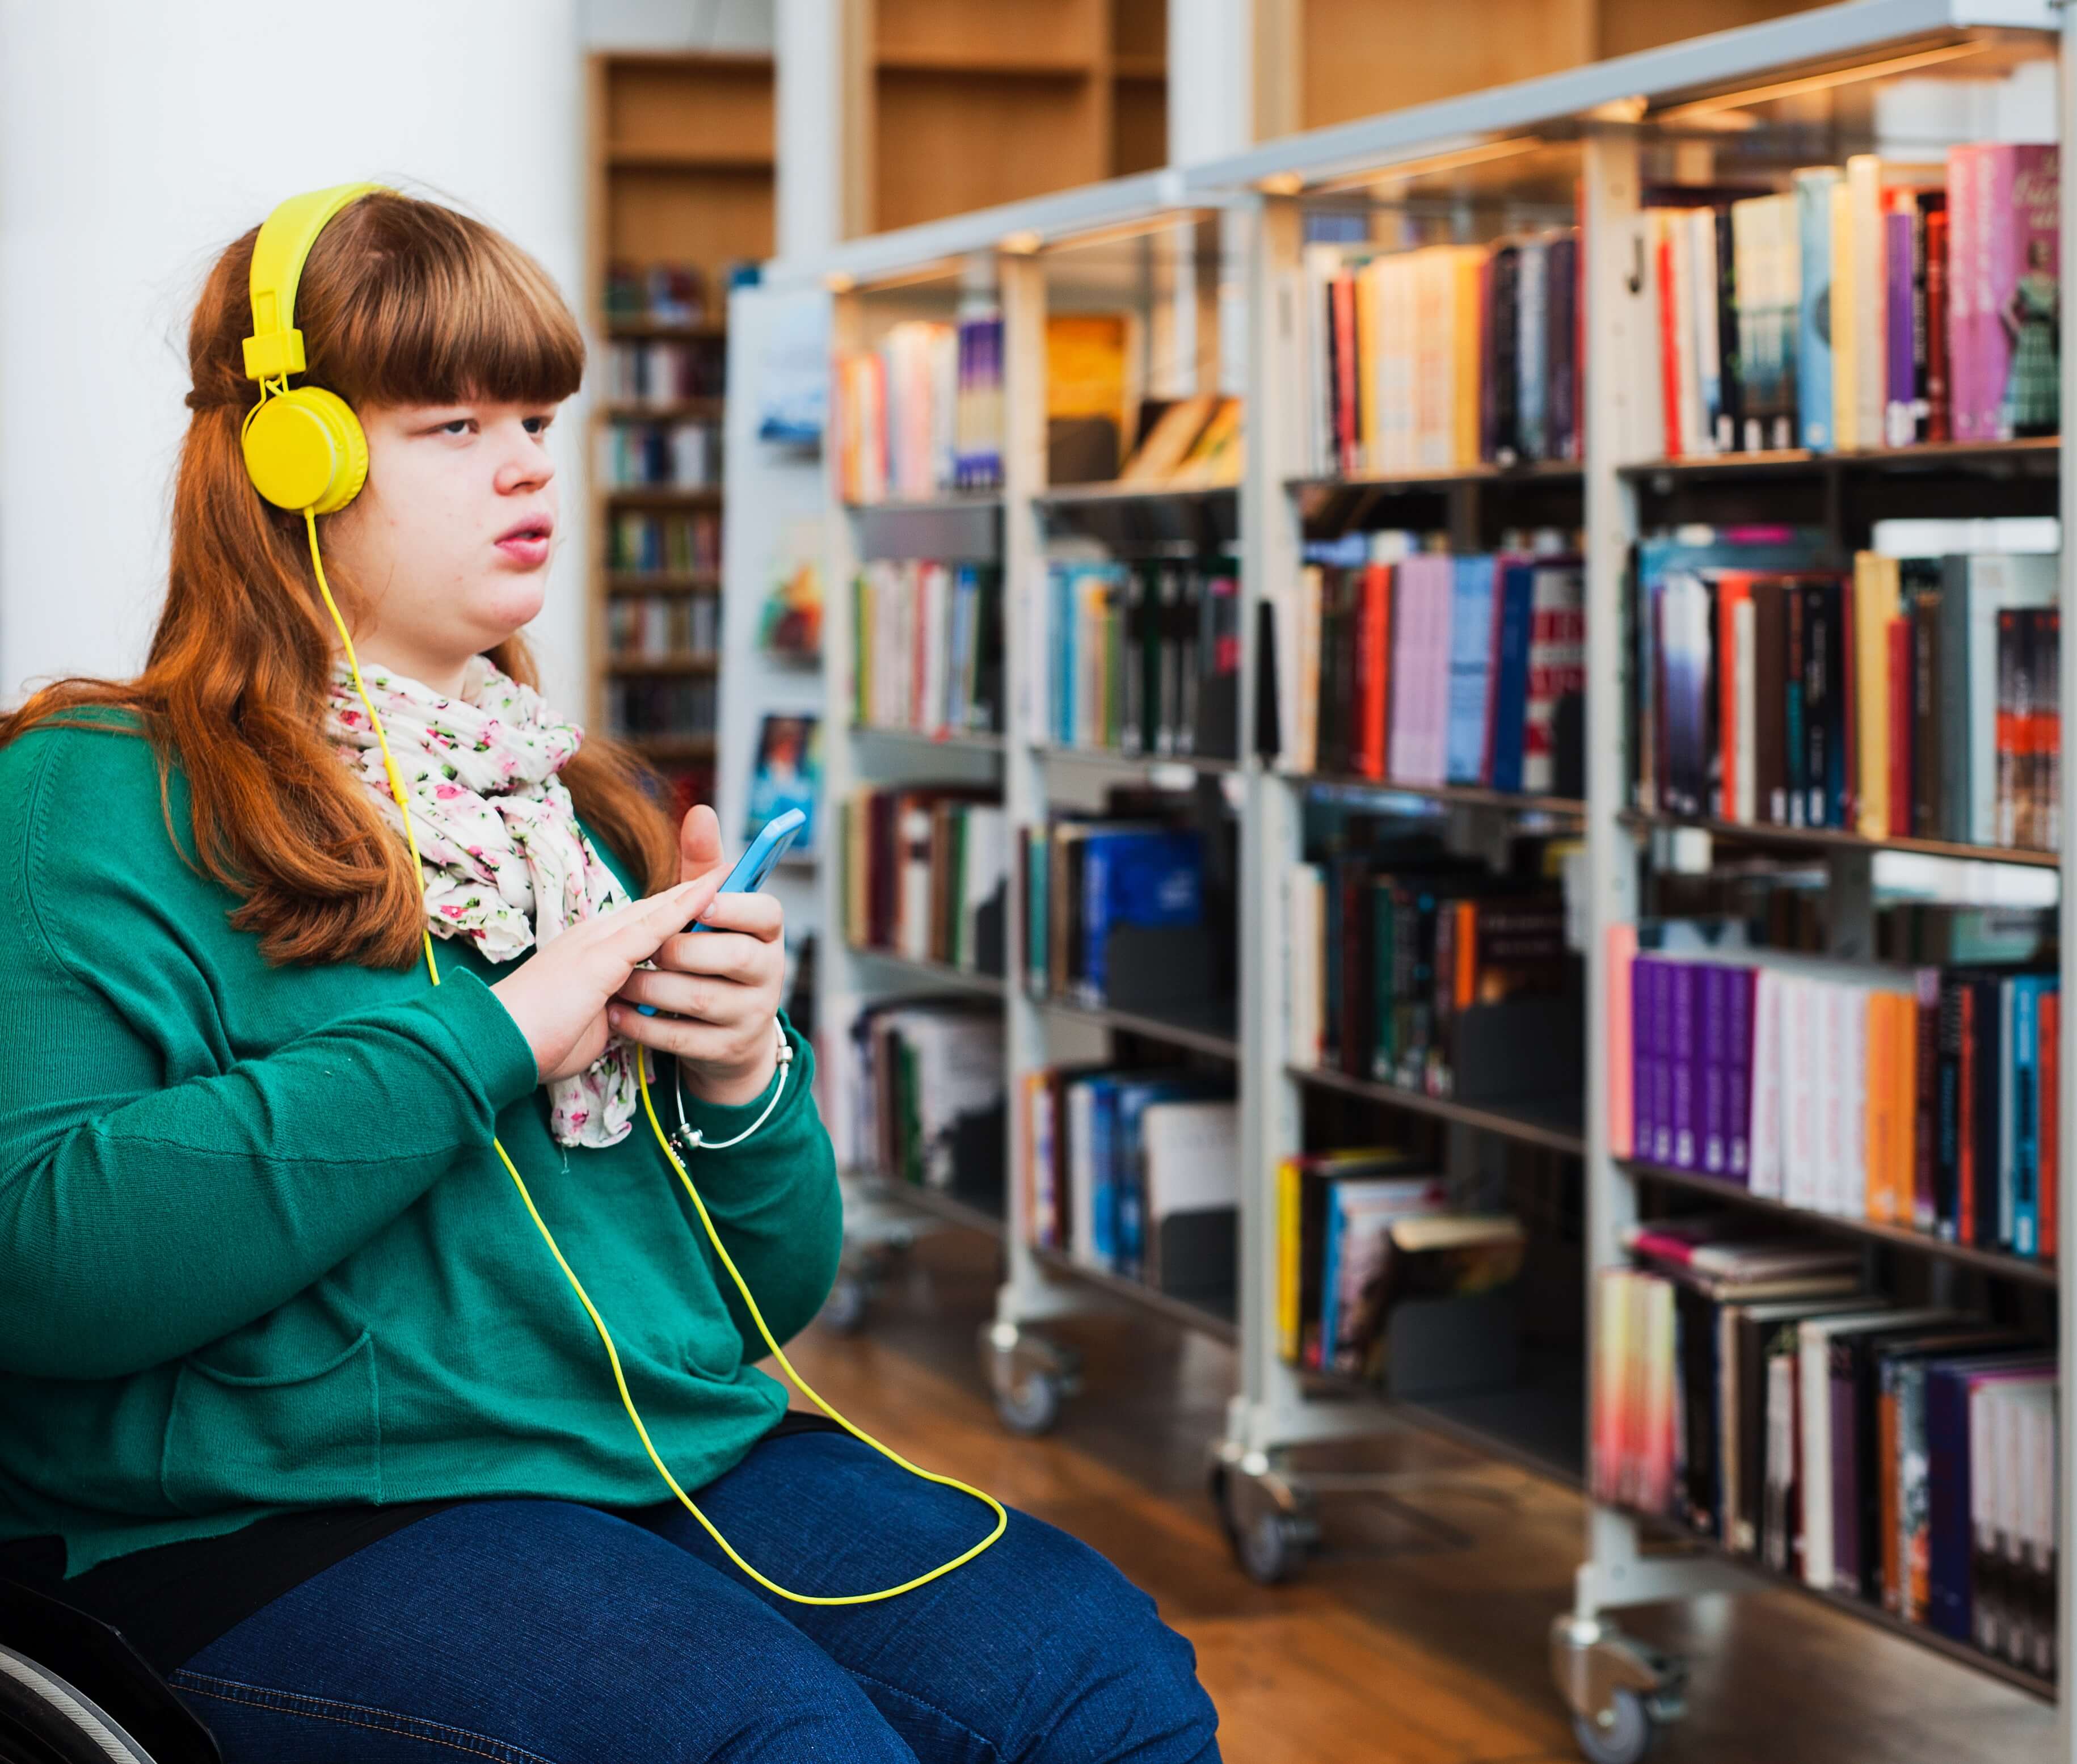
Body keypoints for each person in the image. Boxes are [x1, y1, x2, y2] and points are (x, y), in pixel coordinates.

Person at [0, 186, 1221, 1764]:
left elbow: (748, 1299)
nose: (527, 469)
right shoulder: (88, 790)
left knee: (1110, 1685)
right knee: (774, 1748)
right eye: (453, 423)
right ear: (286, 456)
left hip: (657, 1459)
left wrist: (736, 1075)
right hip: (264, 1519)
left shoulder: (576, 803)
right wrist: (494, 1036)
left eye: (538, 419)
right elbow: (43, 1264)